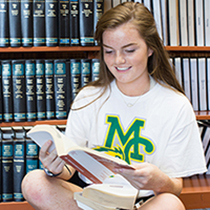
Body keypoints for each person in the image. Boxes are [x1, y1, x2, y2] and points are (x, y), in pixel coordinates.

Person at [21, 2, 207, 210]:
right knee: (34, 182)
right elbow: (70, 171)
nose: (118, 60)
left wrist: (158, 180)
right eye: (109, 51)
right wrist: (55, 168)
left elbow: (175, 188)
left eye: (129, 50)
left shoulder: (176, 105)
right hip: (89, 199)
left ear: (151, 48)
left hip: (142, 202)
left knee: (170, 204)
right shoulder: (88, 97)